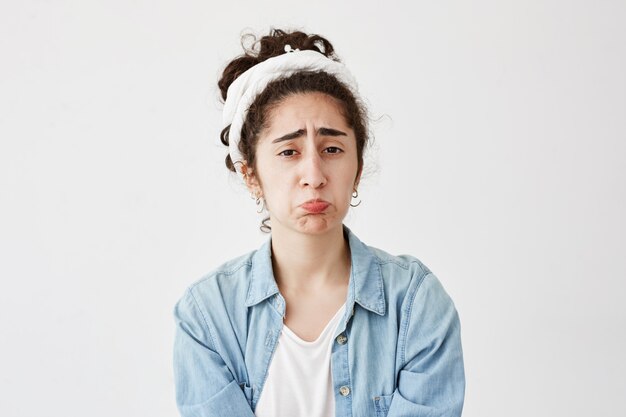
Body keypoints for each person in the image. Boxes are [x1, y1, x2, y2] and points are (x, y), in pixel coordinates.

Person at [173, 28, 465, 417]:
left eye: (332, 149)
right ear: (250, 174)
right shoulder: (208, 315)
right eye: (289, 151)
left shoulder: (415, 303)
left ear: (357, 167)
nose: (314, 174)